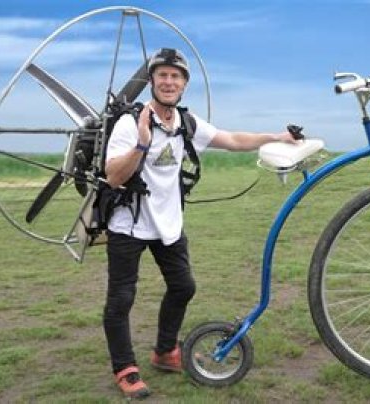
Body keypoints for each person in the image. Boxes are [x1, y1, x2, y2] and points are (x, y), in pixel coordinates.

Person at [103, 48, 298, 399]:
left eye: (175, 76)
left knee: (183, 287)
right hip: (127, 224)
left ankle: (165, 351)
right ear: (152, 81)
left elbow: (233, 140)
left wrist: (277, 137)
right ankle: (125, 368)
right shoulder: (130, 123)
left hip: (168, 224)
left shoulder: (186, 122)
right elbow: (114, 176)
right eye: (162, 75)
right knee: (121, 299)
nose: (169, 81)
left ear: (184, 84)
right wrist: (142, 145)